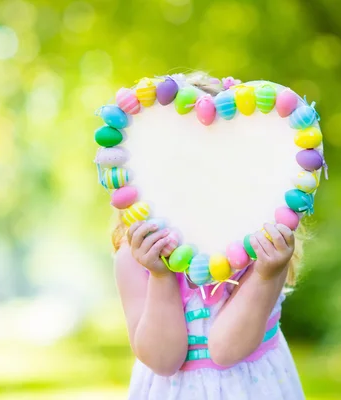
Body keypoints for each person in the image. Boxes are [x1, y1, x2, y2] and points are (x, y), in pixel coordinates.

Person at [113, 73, 306, 399]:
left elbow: (227, 349)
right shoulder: (134, 260)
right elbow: (163, 359)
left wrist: (264, 275)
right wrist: (161, 275)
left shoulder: (263, 253)